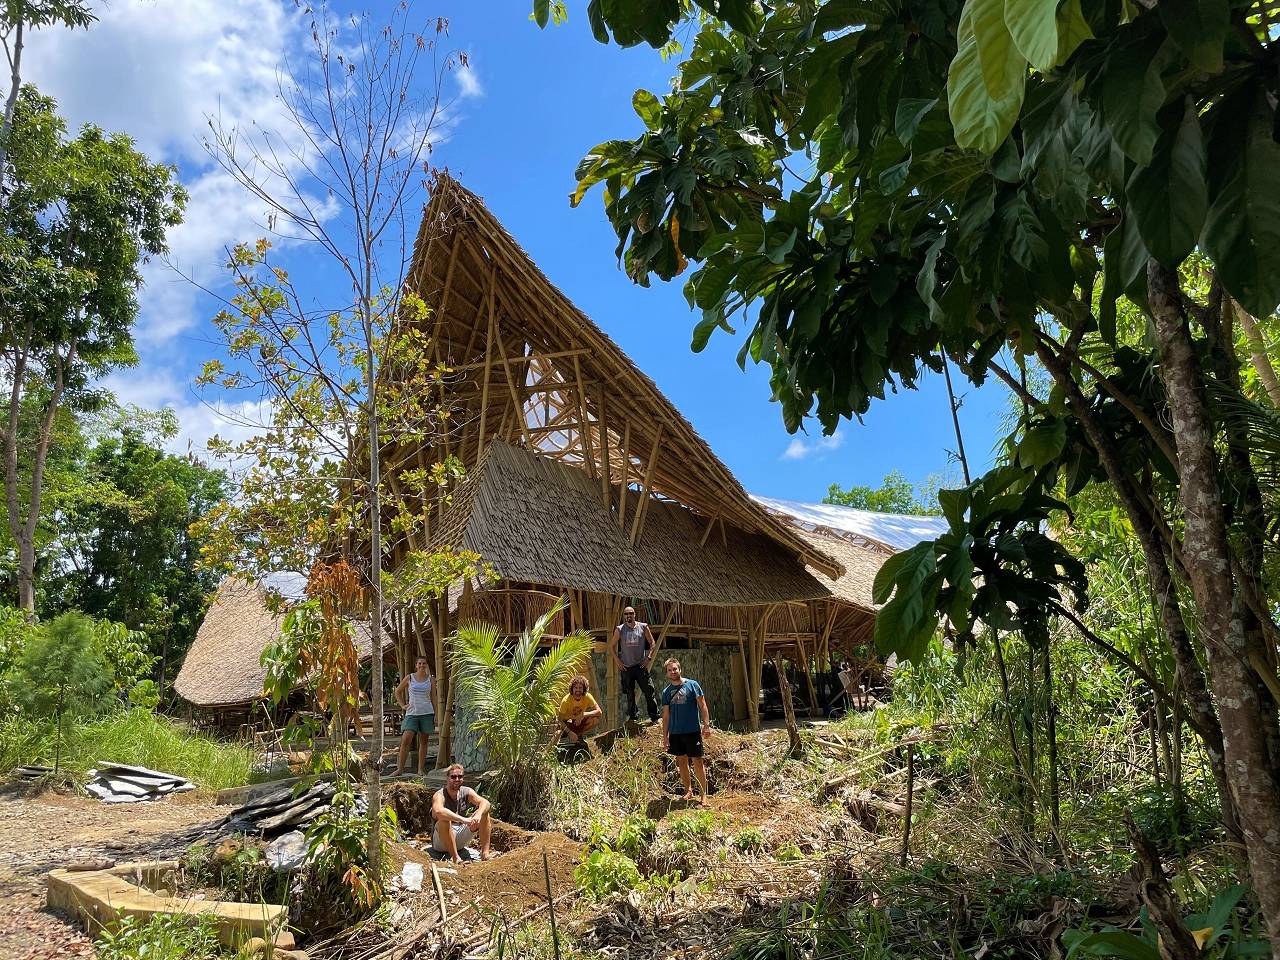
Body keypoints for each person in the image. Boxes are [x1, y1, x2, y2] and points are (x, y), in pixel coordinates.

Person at [660, 657, 712, 803]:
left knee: (697, 761)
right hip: (675, 733)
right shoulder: (666, 692)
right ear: (667, 673)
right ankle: (688, 791)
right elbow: (666, 716)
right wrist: (665, 737)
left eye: (675, 669)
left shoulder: (693, 685)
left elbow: (703, 705)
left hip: (692, 731)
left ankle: (703, 794)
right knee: (681, 761)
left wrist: (706, 725)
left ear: (680, 669)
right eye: (670, 670)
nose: (673, 672)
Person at [431, 763, 492, 862]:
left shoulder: (466, 791)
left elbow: (485, 803)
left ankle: (485, 854)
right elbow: (438, 811)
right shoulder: (439, 795)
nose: (457, 779)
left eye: (460, 776)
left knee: (485, 814)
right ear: (447, 778)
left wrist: (478, 814)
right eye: (453, 777)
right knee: (444, 820)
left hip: (459, 836)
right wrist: (464, 820)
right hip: (441, 842)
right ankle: (456, 858)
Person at [610, 605, 658, 724]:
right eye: (626, 614)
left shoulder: (643, 627)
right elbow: (611, 646)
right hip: (626, 667)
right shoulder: (620, 629)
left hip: (640, 666)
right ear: (624, 616)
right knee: (630, 694)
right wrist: (617, 660)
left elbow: (652, 643)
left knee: (649, 690)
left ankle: (655, 716)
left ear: (634, 614)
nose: (628, 616)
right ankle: (633, 718)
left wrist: (649, 657)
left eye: (630, 613)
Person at [393, 656, 435, 776]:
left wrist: (436, 714)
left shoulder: (431, 679)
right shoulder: (410, 677)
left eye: (424, 663)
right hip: (412, 713)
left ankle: (420, 769)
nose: (422, 665)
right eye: (419, 663)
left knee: (424, 741)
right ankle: (400, 769)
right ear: (416, 665)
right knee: (406, 739)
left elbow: (434, 697)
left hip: (427, 712)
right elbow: (397, 691)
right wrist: (402, 705)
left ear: (426, 665)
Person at [554, 674, 602, 746]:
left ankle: (579, 736)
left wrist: (583, 714)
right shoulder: (565, 700)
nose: (578, 690)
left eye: (580, 688)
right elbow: (560, 720)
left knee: (595, 720)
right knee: (558, 733)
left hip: (578, 723)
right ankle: (552, 749)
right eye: (576, 688)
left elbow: (599, 712)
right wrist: (570, 732)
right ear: (572, 689)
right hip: (567, 724)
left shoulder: (587, 696)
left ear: (584, 689)